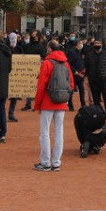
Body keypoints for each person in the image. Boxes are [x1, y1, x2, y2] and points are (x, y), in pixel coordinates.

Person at [32, 39, 75, 171]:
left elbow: (41, 86)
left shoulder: (47, 63)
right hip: (61, 102)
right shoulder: (65, 63)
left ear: (50, 49)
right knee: (59, 133)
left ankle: (45, 162)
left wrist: (37, 104)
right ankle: (56, 162)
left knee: (45, 133)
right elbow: (71, 84)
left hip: (47, 101)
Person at [84, 37, 106, 120]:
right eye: (95, 43)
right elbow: (86, 68)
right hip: (93, 79)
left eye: (98, 43)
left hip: (103, 79)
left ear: (102, 44)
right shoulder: (89, 54)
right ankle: (99, 115)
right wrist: (86, 79)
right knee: (96, 99)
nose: (97, 45)